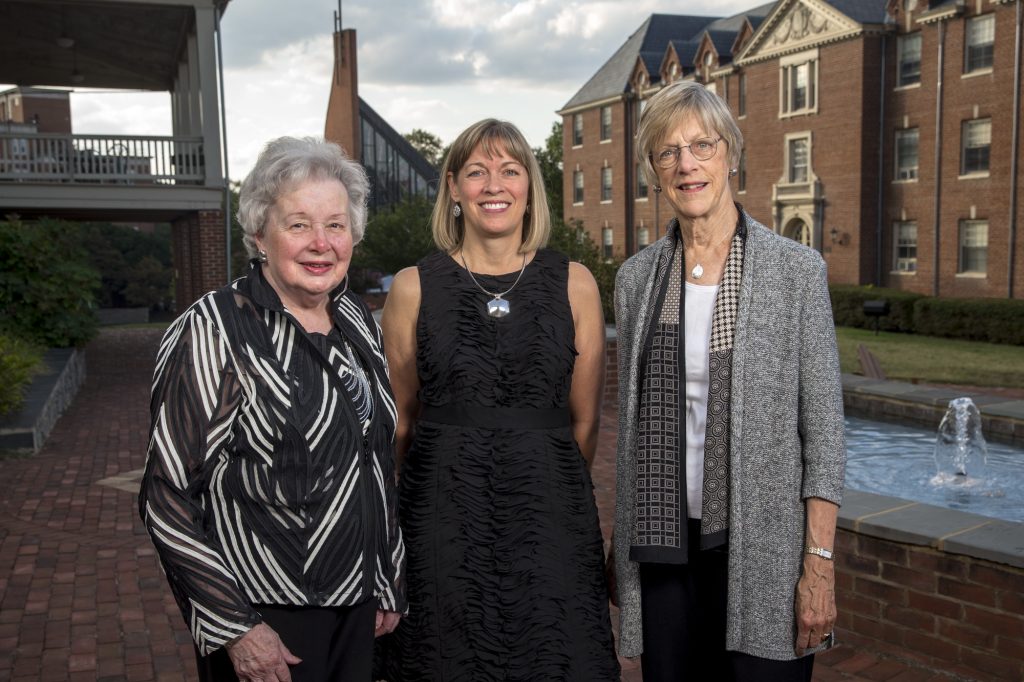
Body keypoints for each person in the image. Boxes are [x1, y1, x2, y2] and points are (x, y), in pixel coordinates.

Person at [139, 137, 405, 682]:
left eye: (335, 225)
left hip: (356, 605)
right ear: (260, 234)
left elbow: (375, 461)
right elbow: (165, 496)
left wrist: (387, 576)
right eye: (299, 224)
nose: (320, 243)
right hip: (266, 616)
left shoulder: (355, 320)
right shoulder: (214, 329)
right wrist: (235, 627)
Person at [611, 80, 846, 680]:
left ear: (731, 154)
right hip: (664, 545)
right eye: (668, 152)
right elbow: (631, 433)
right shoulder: (637, 279)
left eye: (701, 145)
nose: (686, 164)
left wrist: (818, 562)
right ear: (654, 170)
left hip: (763, 548)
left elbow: (823, 430)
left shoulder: (794, 271)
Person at [380, 119, 620, 680]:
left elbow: (585, 424)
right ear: (453, 187)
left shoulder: (575, 282)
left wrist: (537, 474)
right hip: (441, 516)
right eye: (477, 172)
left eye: (510, 170)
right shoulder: (413, 286)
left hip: (551, 513)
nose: (495, 185)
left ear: (529, 186)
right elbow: (399, 424)